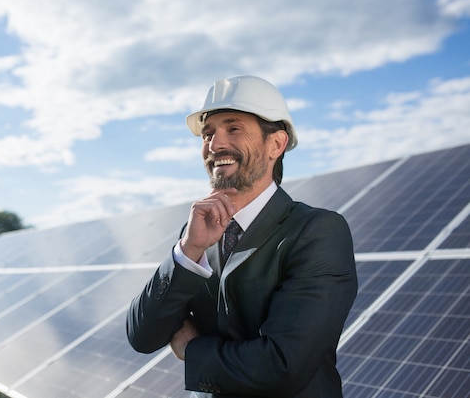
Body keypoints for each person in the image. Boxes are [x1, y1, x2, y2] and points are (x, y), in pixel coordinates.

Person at [127, 75, 358, 397]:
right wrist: (189, 248)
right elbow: (142, 336)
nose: (215, 144)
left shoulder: (315, 230)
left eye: (233, 129)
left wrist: (192, 350)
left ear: (275, 144)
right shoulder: (197, 235)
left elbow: (282, 365)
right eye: (208, 134)